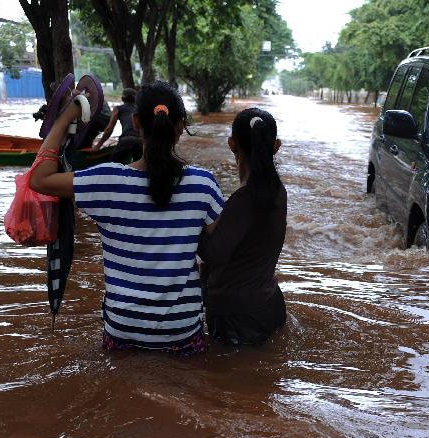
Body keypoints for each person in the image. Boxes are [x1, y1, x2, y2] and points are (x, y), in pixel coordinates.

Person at [30, 81, 225, 356]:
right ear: (180, 126)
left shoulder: (107, 180)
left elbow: (39, 178)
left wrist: (67, 116)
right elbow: (224, 247)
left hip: (123, 329)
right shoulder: (203, 185)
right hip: (180, 331)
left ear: (135, 121)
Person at [197, 108, 287, 345]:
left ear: (231, 144)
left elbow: (213, 253)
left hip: (237, 317)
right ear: (276, 146)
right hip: (269, 305)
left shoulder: (244, 199)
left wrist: (194, 217)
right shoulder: (279, 192)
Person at [92, 87, 143, 163]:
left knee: (113, 166)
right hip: (141, 141)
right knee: (139, 169)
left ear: (123, 98)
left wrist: (98, 146)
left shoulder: (118, 109)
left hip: (126, 139)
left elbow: (109, 129)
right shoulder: (140, 109)